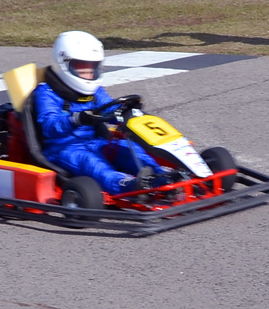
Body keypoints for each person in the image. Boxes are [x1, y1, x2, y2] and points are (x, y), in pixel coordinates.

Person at [31, 30, 169, 195]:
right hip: (64, 149)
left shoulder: (94, 91)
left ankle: (161, 178)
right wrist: (76, 119)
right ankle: (128, 186)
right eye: (81, 67)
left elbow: (109, 107)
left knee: (128, 148)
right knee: (92, 163)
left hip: (96, 143)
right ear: (64, 64)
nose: (88, 72)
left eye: (92, 67)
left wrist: (127, 113)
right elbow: (49, 126)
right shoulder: (47, 92)